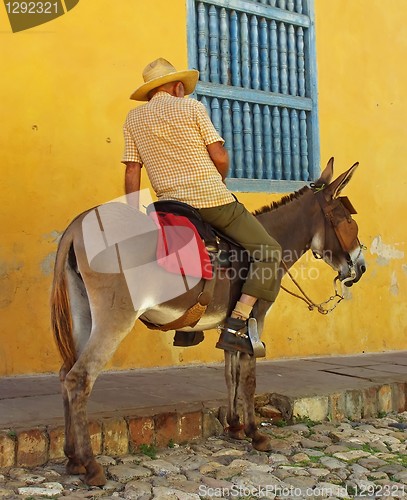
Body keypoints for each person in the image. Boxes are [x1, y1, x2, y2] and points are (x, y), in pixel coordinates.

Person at [122, 58, 282, 355]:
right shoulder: (192, 107)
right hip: (211, 200)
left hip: (168, 207)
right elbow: (219, 156)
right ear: (178, 87)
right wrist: (218, 180)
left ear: (150, 92)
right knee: (269, 251)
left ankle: (188, 327)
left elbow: (132, 170)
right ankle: (237, 323)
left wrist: (134, 213)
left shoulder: (133, 119)